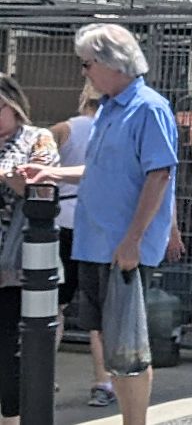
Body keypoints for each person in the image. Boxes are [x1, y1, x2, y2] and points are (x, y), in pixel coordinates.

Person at [23, 23, 178, 425]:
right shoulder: (110, 107)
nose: (84, 72)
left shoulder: (149, 107)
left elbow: (159, 174)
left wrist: (133, 241)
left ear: (112, 63)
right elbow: (98, 170)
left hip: (121, 249)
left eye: (87, 63)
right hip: (95, 244)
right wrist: (52, 175)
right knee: (112, 343)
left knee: (128, 347)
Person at [49, 85, 115, 407]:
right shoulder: (113, 129)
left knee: (53, 306)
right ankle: (103, 381)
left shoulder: (64, 129)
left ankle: (44, 375)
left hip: (63, 220)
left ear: (81, 99)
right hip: (98, 226)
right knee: (97, 311)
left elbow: (41, 162)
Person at [0, 74, 58, 425]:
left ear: (14, 106)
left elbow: (44, 188)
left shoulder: (38, 138)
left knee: (9, 350)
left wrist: (14, 178)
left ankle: (11, 417)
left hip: (15, 262)